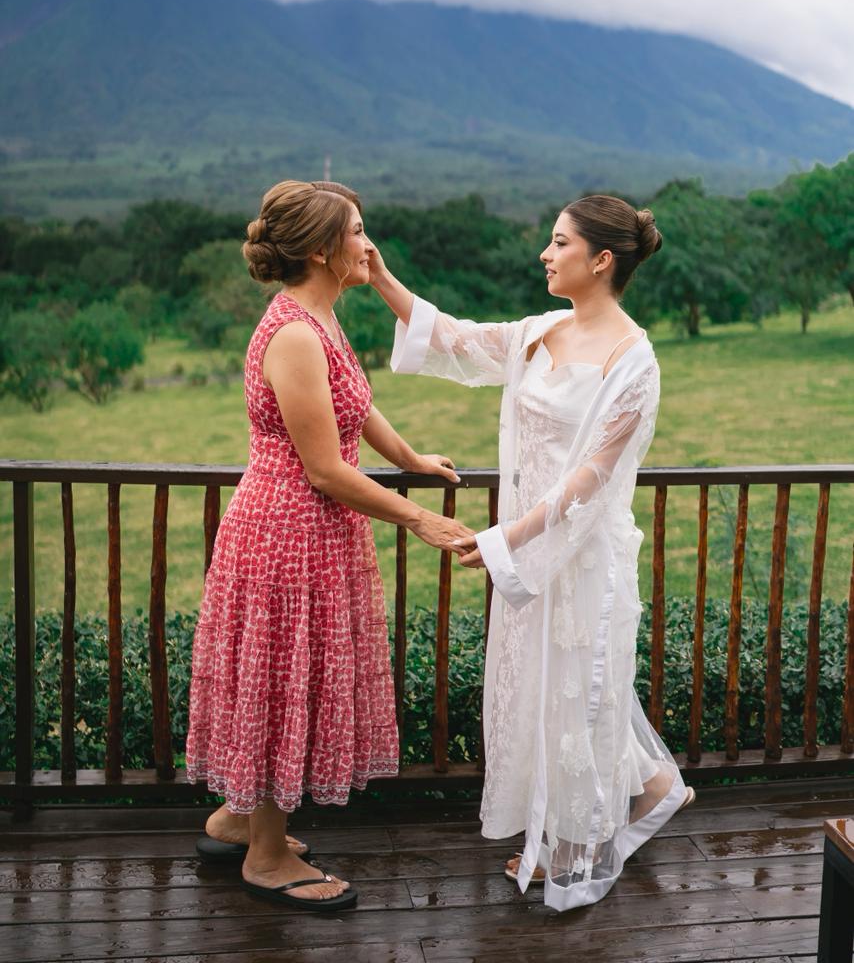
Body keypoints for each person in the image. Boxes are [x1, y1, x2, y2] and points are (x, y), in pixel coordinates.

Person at [369, 194, 694, 912]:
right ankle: (650, 786)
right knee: (547, 688)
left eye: (558, 243)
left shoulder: (633, 360)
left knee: (578, 690)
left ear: (601, 260)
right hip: (529, 549)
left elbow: (591, 479)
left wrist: (503, 540)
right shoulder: (541, 331)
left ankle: (574, 845)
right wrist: (381, 277)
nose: (545, 255)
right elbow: (454, 339)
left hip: (580, 555)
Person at [185, 180, 472, 912]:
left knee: (291, 676)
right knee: (284, 682)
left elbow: (355, 403)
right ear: (320, 249)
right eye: (358, 233)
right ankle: (267, 857)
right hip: (286, 533)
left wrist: (409, 458)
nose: (370, 247)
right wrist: (418, 518)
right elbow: (324, 468)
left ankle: (239, 817)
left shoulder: (319, 321)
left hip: (313, 532)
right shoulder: (291, 333)